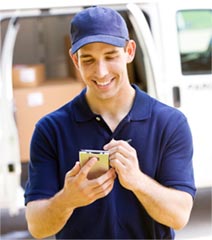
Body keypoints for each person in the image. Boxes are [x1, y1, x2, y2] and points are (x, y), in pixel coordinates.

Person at [24, 6, 196, 239]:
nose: (101, 72)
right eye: (88, 60)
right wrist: (67, 199)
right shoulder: (51, 130)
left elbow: (179, 216)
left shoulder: (169, 123)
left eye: (110, 56)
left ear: (129, 51)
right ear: (75, 60)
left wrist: (138, 181)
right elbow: (37, 226)